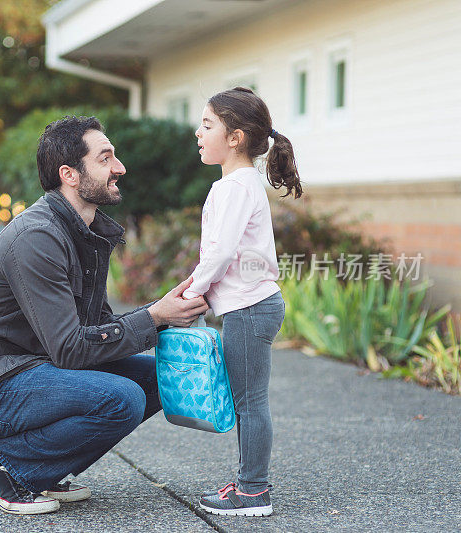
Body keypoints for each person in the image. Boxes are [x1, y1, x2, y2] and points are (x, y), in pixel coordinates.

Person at [0, 116, 209, 515]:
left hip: (34, 367)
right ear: (69, 174)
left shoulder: (85, 233)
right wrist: (152, 317)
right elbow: (70, 349)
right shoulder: (38, 236)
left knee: (158, 377)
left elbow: (96, 331)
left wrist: (164, 316)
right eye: (106, 158)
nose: (120, 168)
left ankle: (42, 470)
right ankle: (3, 464)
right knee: (121, 398)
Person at [181, 87, 302, 517]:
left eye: (208, 124)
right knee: (248, 400)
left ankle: (253, 492)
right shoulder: (241, 184)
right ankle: (250, 482)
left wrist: (190, 294)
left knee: (250, 403)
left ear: (235, 137)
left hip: (249, 309)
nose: (198, 132)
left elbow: (219, 253)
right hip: (252, 305)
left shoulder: (233, 187)